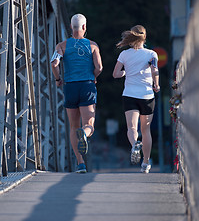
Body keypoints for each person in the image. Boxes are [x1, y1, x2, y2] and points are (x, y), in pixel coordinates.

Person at [51, 14, 103, 173]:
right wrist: (94, 76)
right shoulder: (93, 45)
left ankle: (80, 164)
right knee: (89, 124)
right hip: (87, 86)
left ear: (71, 27)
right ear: (84, 27)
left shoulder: (62, 46)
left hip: (70, 87)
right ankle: (85, 135)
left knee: (73, 126)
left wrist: (58, 78)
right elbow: (99, 67)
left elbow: (54, 63)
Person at [113, 25, 160, 173]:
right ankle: (146, 163)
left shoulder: (124, 55)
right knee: (146, 130)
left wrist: (126, 72)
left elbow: (115, 74)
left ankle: (134, 144)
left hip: (129, 94)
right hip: (147, 95)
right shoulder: (152, 54)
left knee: (132, 128)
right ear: (144, 37)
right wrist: (156, 85)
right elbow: (154, 70)